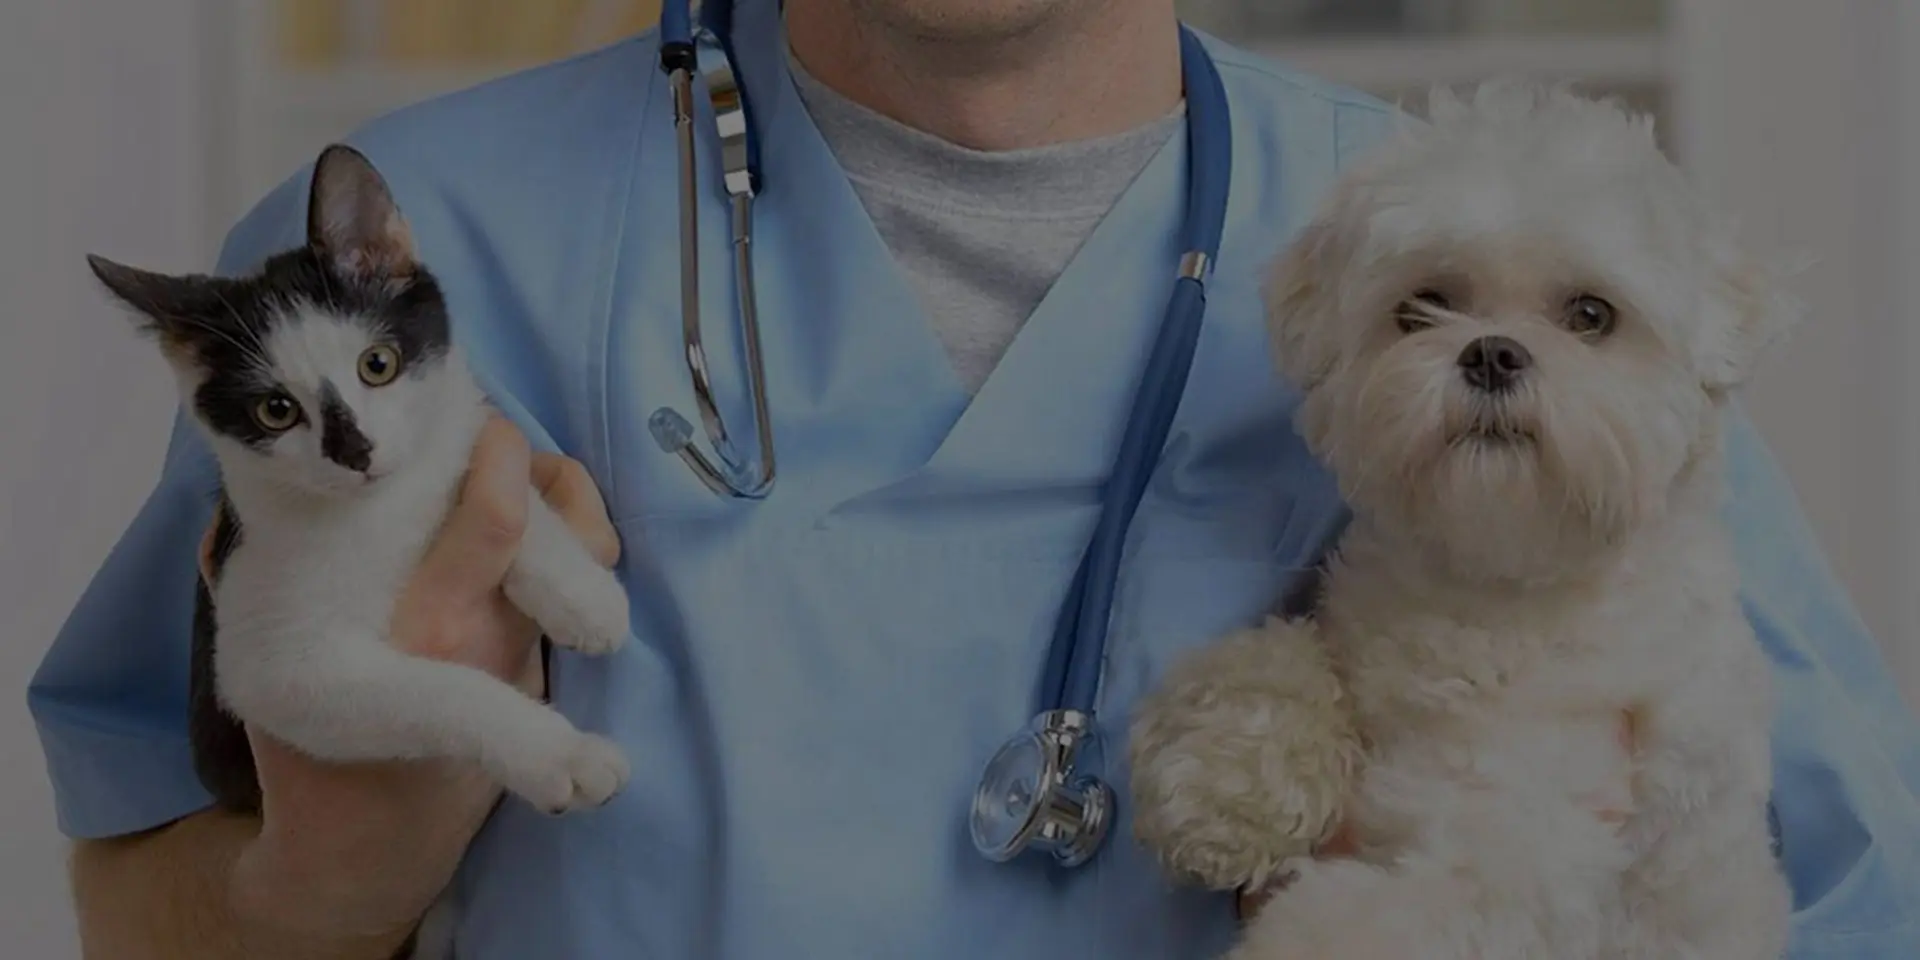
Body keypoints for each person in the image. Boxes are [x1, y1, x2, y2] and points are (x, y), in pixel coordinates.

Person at [29, 0, 1920, 957]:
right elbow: (136, 887)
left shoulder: (1477, 255)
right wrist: (316, 889)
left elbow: (1823, 886)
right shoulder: (411, 255)